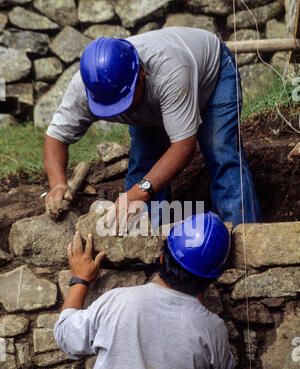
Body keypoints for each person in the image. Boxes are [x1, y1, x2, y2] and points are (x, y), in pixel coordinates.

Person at [43, 27, 261, 228]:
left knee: (220, 151)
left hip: (213, 75)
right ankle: (145, 248)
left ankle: (242, 241)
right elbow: (56, 137)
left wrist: (139, 192)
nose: (123, 111)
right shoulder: (88, 85)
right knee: (143, 169)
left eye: (125, 100)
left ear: (142, 74)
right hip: (157, 102)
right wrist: (58, 184)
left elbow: (184, 147)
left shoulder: (170, 72)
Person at [54, 211, 235, 369]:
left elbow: (66, 337)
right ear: (214, 278)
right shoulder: (213, 327)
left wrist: (80, 279)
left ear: (161, 258)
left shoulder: (117, 301)